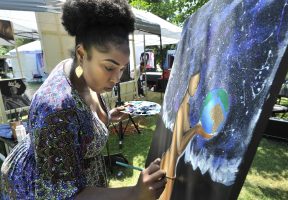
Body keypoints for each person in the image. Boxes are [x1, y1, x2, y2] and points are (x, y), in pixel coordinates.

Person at [0, 0, 167, 199]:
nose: (116, 79)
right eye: (109, 67)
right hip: (32, 189)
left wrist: (106, 117)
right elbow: (65, 195)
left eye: (122, 69)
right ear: (81, 53)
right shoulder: (55, 108)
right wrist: (134, 192)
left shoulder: (79, 72)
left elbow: (79, 124)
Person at [159, 73, 215, 200]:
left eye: (197, 85)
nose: (195, 88)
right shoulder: (182, 108)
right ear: (189, 83)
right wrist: (195, 130)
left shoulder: (187, 106)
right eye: (194, 84)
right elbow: (178, 148)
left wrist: (196, 130)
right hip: (170, 163)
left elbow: (183, 132)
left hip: (170, 160)